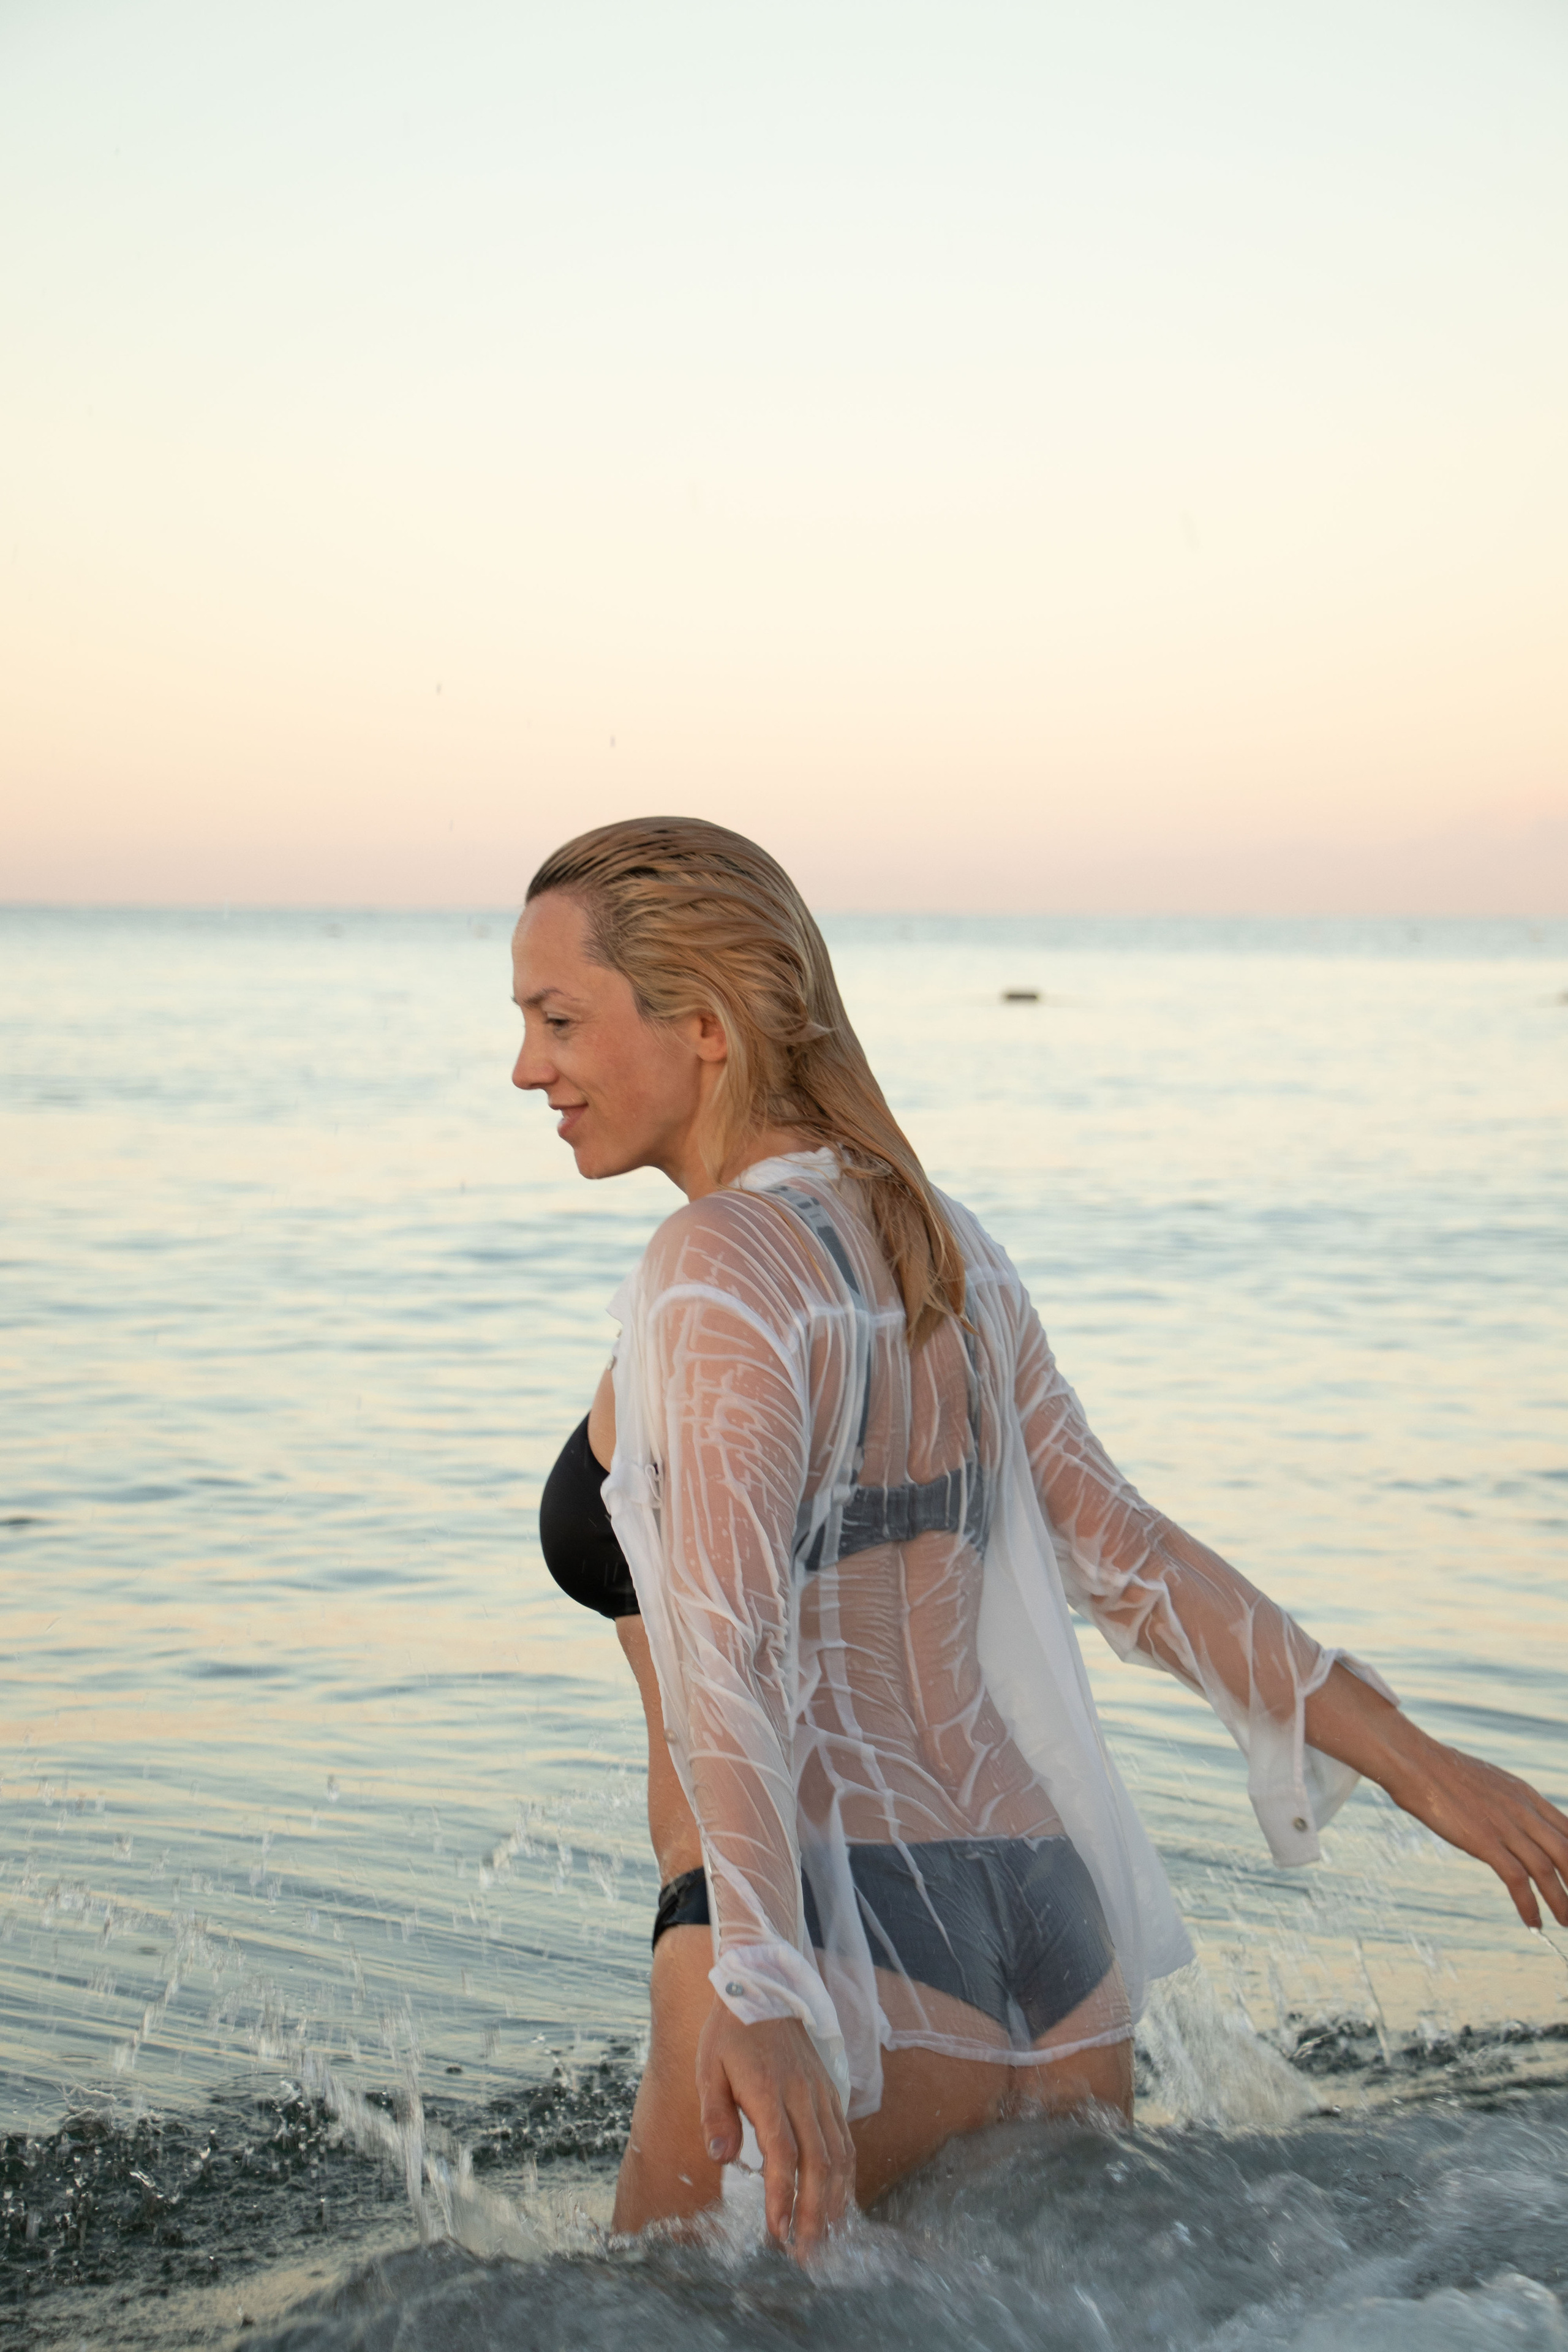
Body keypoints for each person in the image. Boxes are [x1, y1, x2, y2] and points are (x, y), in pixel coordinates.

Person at [516, 816, 1568, 2258]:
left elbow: (725, 1644)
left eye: (556, 1017)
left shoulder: (708, 1270)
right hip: (1050, 1940)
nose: (529, 1067)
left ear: (701, 1025)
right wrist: (1422, 1764)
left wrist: (757, 1983)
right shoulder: (942, 1246)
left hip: (817, 1930)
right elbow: (1128, 1559)